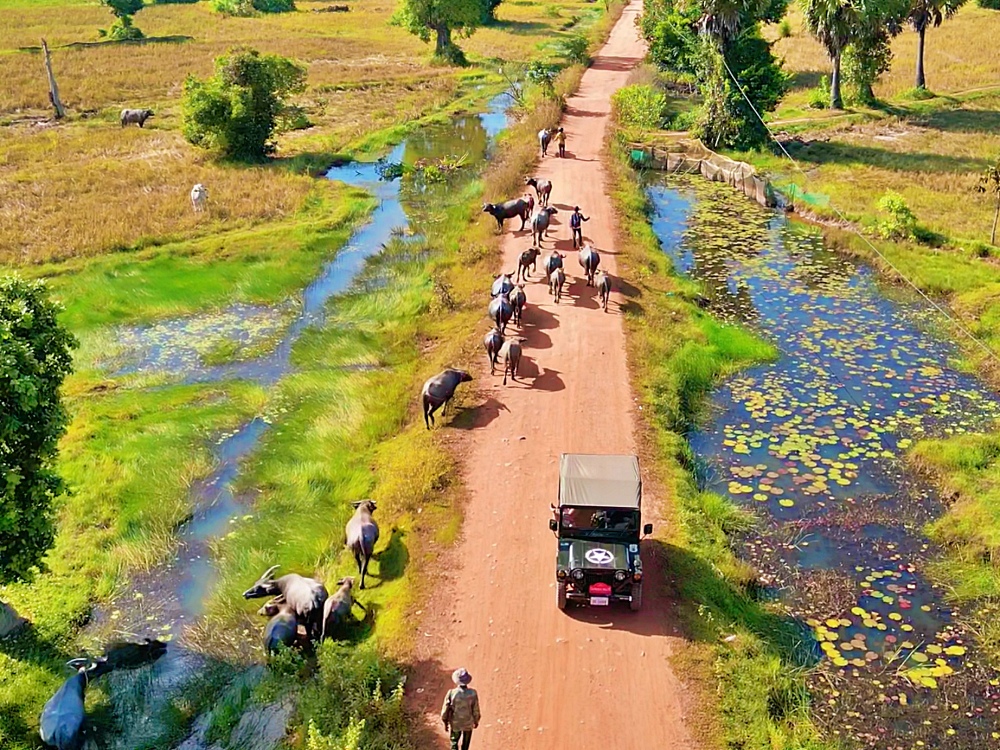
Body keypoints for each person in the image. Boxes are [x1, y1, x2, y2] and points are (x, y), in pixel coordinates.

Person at [442, 668, 480, 750]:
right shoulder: (473, 693)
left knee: (454, 742)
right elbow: (476, 709)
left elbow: (445, 710)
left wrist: (445, 722)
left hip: (455, 723)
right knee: (465, 746)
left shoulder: (451, 693)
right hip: (468, 723)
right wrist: (476, 721)